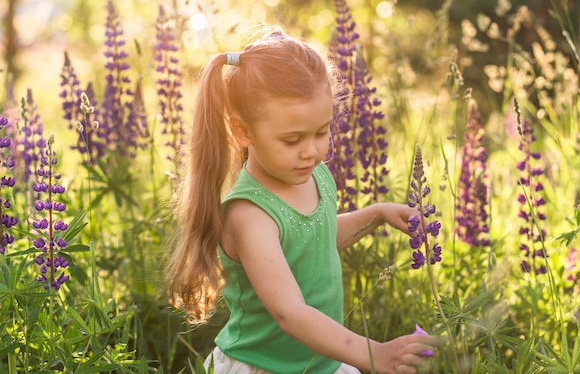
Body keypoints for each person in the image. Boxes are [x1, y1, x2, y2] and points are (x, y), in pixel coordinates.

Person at [165, 26, 438, 374]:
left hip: (320, 360)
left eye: (321, 132)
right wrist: (373, 353)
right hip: (265, 366)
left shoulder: (313, 175)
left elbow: (315, 240)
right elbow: (289, 312)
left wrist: (377, 214)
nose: (311, 151)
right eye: (292, 139)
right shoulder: (250, 215)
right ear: (242, 131)